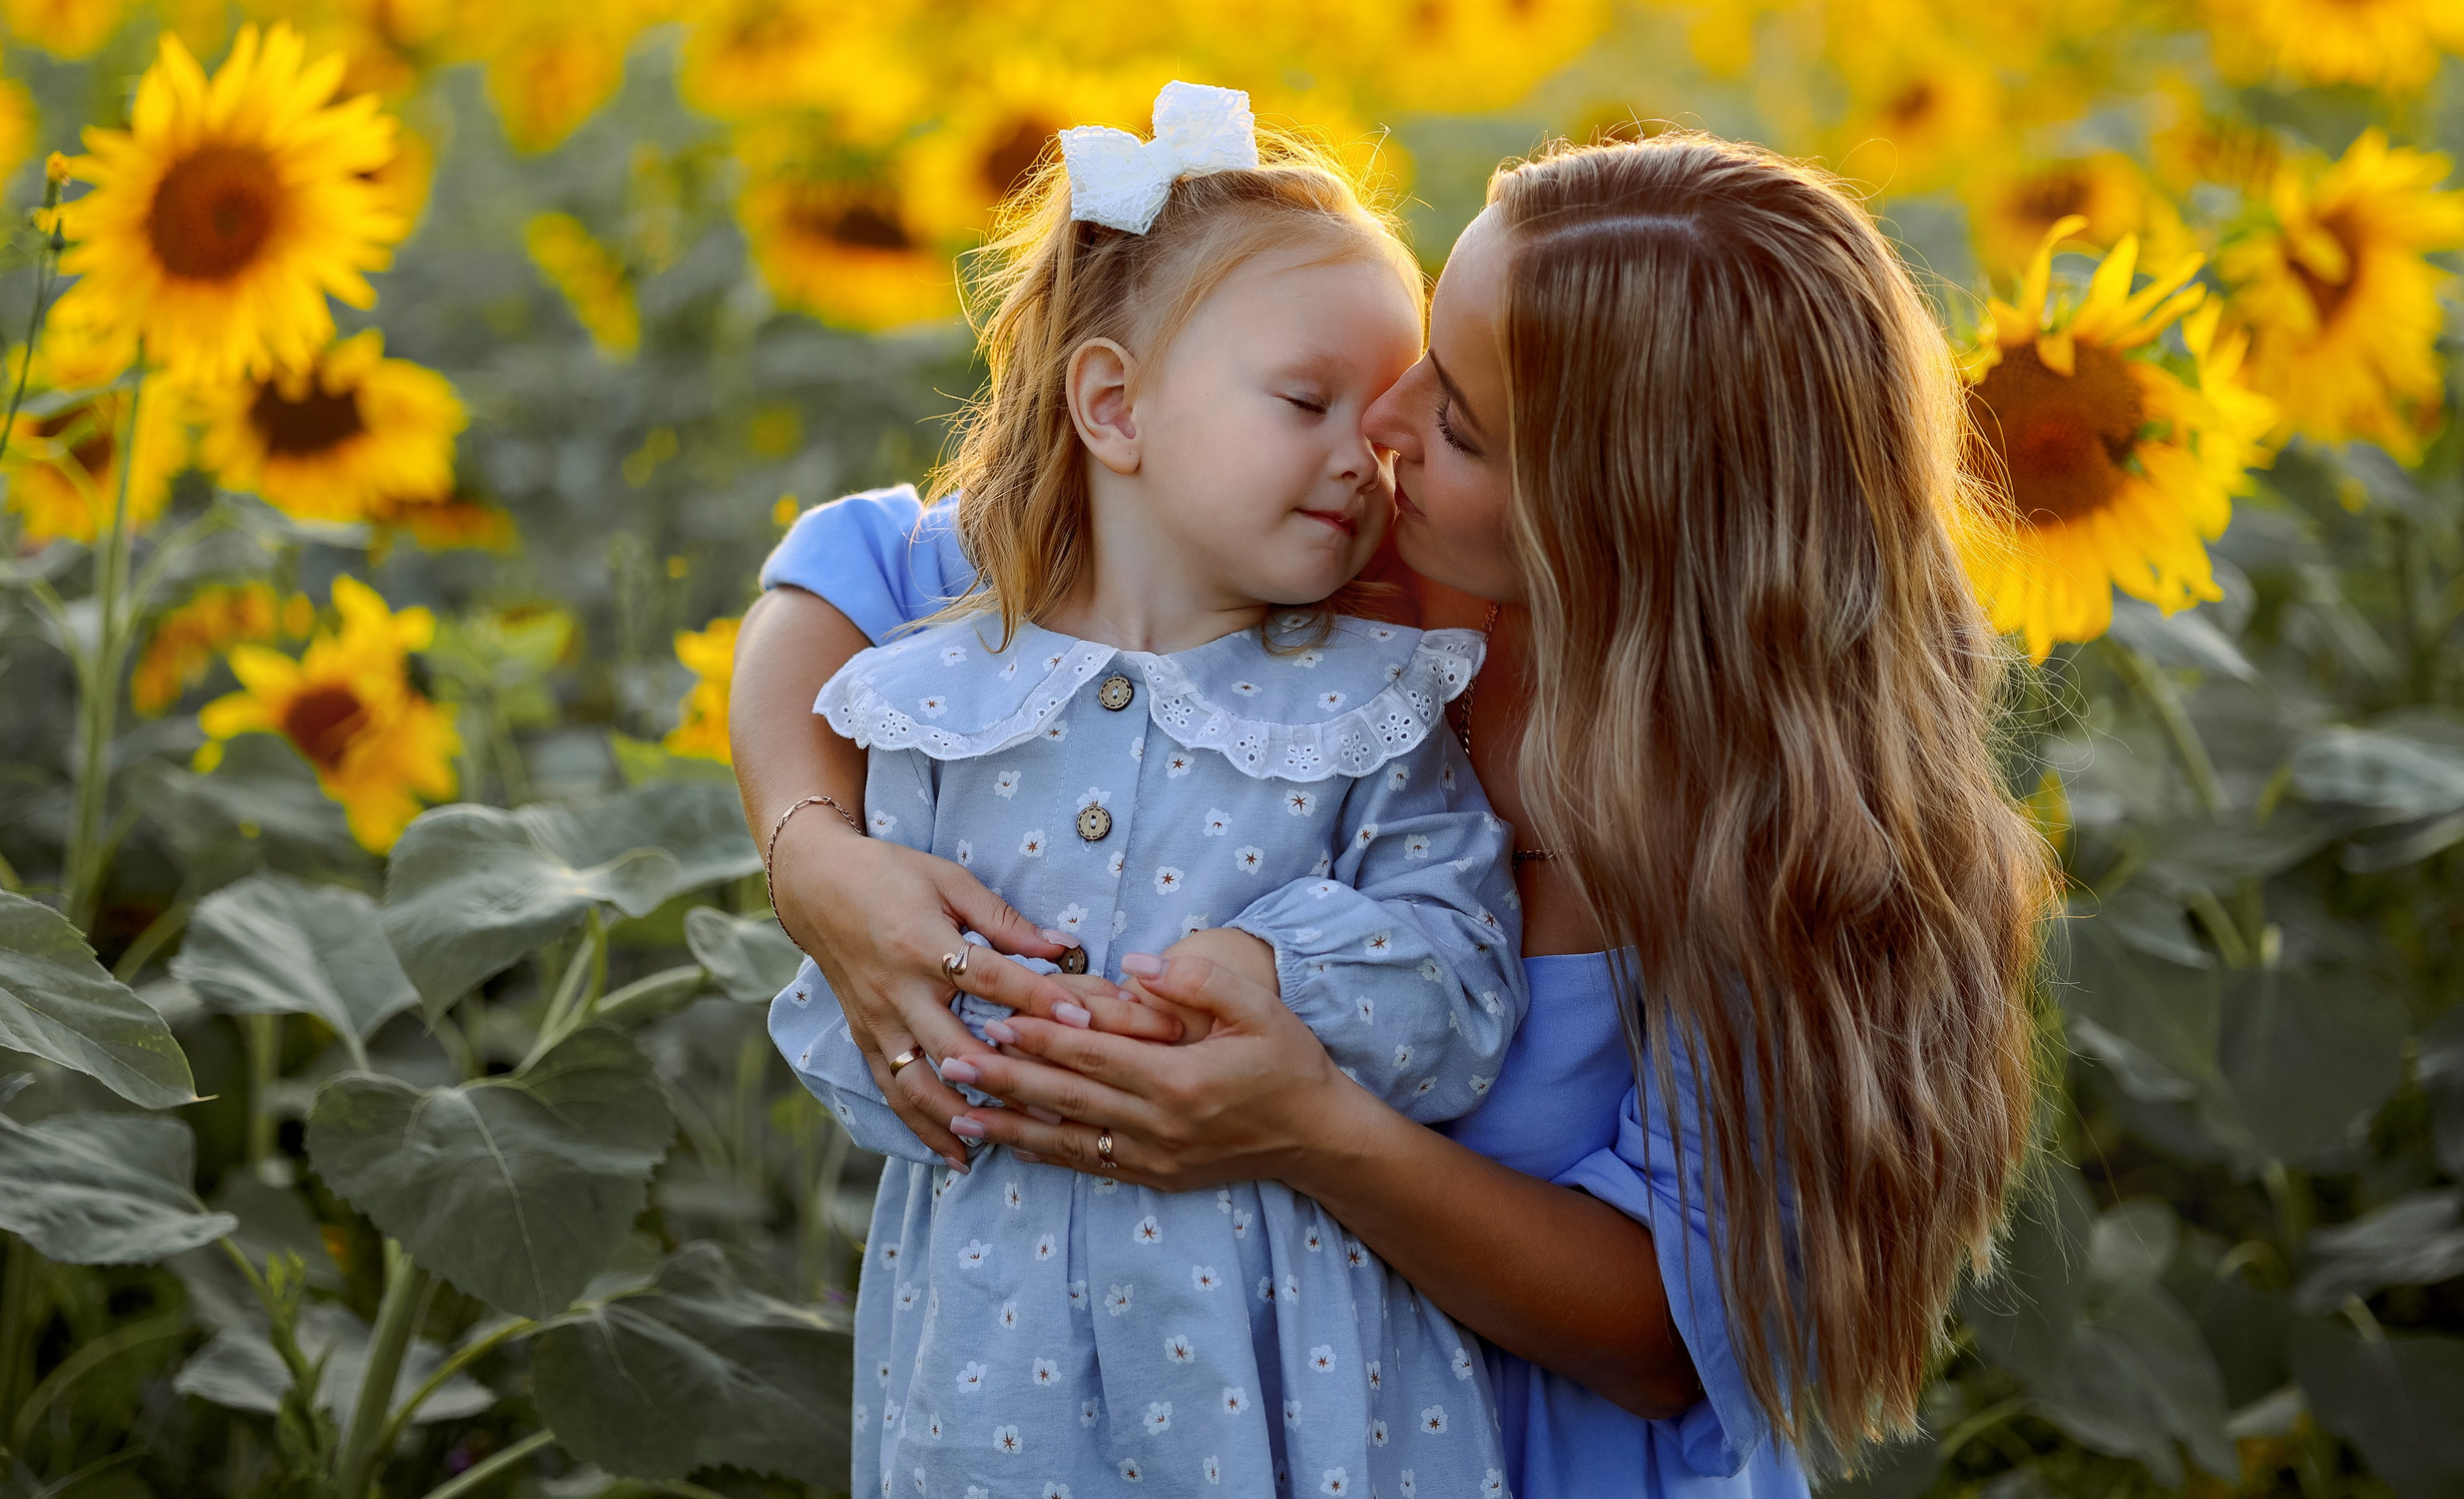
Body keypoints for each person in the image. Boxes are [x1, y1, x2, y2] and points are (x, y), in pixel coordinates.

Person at [738, 132, 2054, 1499]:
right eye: (1423, 344)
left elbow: (1671, 1338)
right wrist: (814, 857)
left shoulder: (1771, 828)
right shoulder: (1328, 571)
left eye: (1460, 421)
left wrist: (1310, 1130)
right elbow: (841, 573)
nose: (1385, 425)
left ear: (1617, 516)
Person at [765, 80, 1529, 1499]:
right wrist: (952, 1029)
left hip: (1293, 1348)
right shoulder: (938, 697)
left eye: (1382, 423)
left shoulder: (1372, 697)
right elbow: (859, 1024)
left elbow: (1462, 981)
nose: (1363, 460)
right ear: (1114, 405)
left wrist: (1276, 969)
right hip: (991, 1350)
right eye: (1306, 402)